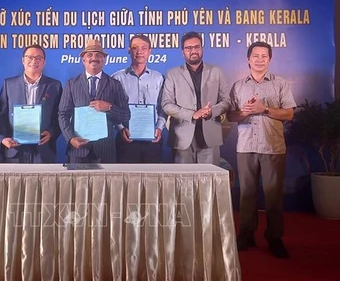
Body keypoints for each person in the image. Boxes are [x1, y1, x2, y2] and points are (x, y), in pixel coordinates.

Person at [227, 41, 296, 259]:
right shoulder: (238, 86)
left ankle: (274, 237)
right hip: (246, 146)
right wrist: (244, 113)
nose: (259, 59)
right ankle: (246, 234)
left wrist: (264, 109)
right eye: (255, 55)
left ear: (270, 59)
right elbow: (230, 116)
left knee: (273, 195)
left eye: (263, 56)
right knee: (246, 194)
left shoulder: (280, 84)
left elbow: (289, 114)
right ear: (248, 59)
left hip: (272, 147)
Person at [162, 31, 230, 165]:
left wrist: (212, 111)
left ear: (202, 49)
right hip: (182, 138)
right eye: (188, 48)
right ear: (183, 52)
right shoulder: (173, 74)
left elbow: (227, 101)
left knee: (209, 183)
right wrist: (192, 114)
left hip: (210, 136)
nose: (193, 51)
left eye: (197, 47)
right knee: (183, 183)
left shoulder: (216, 71)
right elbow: (166, 104)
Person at [58, 39, 130, 163]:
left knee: (107, 183)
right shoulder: (72, 84)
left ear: (104, 60)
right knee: (77, 183)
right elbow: (63, 114)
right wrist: (71, 138)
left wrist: (109, 107)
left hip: (105, 151)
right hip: (78, 150)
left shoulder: (114, 84)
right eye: (89, 55)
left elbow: (126, 115)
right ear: (83, 60)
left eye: (98, 55)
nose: (94, 58)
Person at [0, 45, 62, 163]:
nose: (34, 61)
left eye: (38, 58)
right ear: (23, 60)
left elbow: (60, 115)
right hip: (14, 149)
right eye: (29, 57)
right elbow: (1, 115)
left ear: (44, 62)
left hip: (43, 150)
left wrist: (51, 132)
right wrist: (3, 138)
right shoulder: (9, 84)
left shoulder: (54, 86)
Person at [111, 34, 166, 163]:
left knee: (153, 181)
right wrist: (120, 128)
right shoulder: (117, 78)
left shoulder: (159, 78)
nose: (139, 51)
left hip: (153, 138)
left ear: (149, 51)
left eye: (144, 48)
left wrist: (159, 127)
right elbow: (112, 108)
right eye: (135, 48)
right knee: (126, 181)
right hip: (126, 138)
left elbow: (163, 106)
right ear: (129, 50)